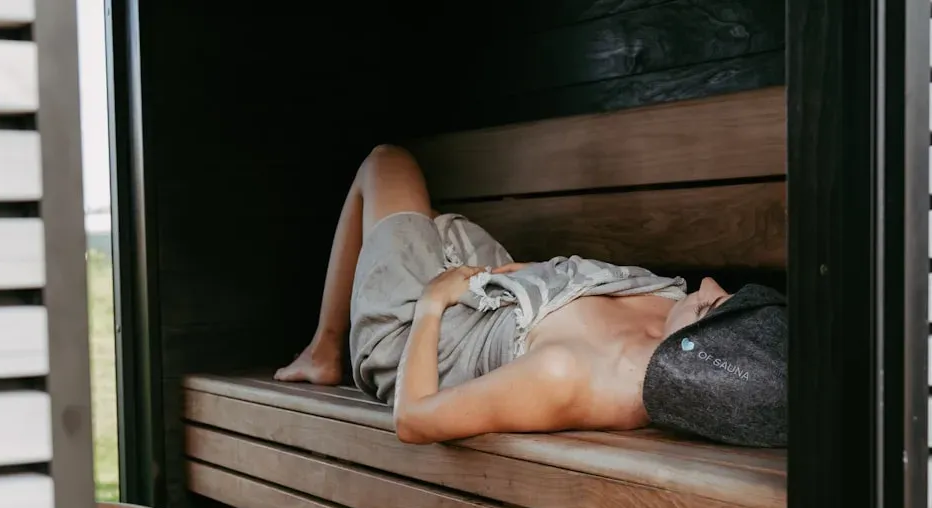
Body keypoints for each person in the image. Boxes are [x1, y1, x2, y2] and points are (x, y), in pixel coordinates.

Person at [275, 145, 787, 447]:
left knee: (385, 163)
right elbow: (580, 288)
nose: (708, 285)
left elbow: (414, 420)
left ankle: (326, 350)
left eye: (711, 306)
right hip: (492, 291)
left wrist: (432, 303)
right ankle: (328, 340)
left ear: (693, 355)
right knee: (413, 210)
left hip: (417, 333)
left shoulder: (570, 376)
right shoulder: (672, 313)